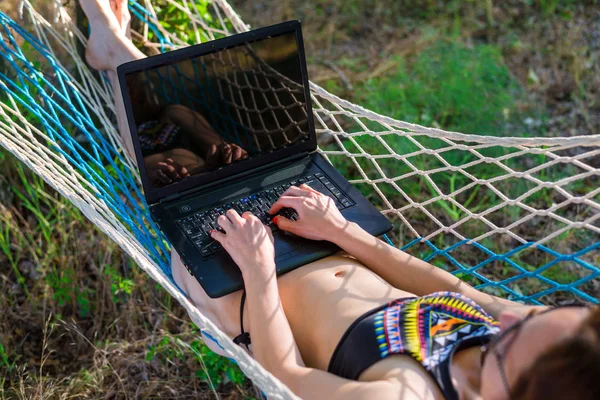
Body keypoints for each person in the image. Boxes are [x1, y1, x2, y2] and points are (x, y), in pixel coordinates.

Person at [80, 1, 600, 399]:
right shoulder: (552, 344)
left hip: (241, 288)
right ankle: (131, 68)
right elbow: (457, 288)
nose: (505, 323)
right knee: (242, 162)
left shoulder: (404, 393)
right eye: (530, 317)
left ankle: (113, 60)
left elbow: (284, 373)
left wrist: (259, 270)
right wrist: (341, 231)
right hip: (314, 243)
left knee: (186, 182)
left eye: (508, 343)